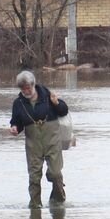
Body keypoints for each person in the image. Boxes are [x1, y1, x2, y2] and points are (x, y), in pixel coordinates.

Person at [9, 70, 68, 208]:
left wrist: (57, 103)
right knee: (34, 177)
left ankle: (57, 202)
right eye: (23, 88)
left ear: (33, 84)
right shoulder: (18, 103)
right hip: (33, 144)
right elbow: (16, 121)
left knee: (55, 173)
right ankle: (35, 207)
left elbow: (64, 111)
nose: (26, 91)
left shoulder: (48, 95)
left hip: (52, 141)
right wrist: (14, 128)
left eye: (28, 87)